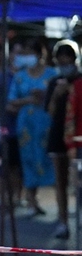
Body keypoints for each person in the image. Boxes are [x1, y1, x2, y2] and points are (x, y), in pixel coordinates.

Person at [7, 38, 56, 216]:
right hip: (26, 126)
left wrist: (45, 97)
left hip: (47, 123)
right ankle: (31, 200)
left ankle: (59, 202)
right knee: (28, 160)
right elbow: (11, 101)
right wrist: (28, 100)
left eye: (29, 53)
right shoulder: (20, 77)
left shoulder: (52, 74)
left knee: (51, 160)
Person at [44, 40, 81, 238]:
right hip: (58, 136)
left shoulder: (80, 81)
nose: (64, 65)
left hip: (78, 137)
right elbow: (49, 112)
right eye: (61, 62)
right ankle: (63, 221)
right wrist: (57, 95)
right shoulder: (54, 83)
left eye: (67, 62)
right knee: (60, 181)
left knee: (78, 181)